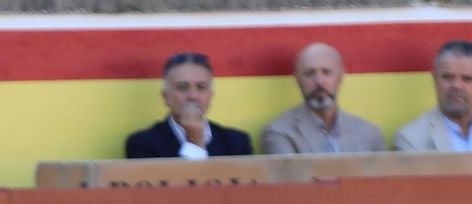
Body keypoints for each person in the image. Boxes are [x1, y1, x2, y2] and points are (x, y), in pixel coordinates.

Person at [392, 40, 472, 153]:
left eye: (467, 79)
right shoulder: (412, 139)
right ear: (435, 79)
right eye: (447, 77)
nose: (457, 85)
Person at [260, 42, 385, 155]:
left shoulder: (369, 133)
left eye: (326, 72)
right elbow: (290, 179)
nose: (319, 81)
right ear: (298, 80)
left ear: (340, 77)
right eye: (310, 73)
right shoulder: (280, 132)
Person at [124, 52, 253, 160]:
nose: (192, 96)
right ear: (166, 97)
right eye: (182, 87)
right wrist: (194, 142)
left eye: (201, 87)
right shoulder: (142, 144)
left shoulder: (236, 143)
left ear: (210, 95)